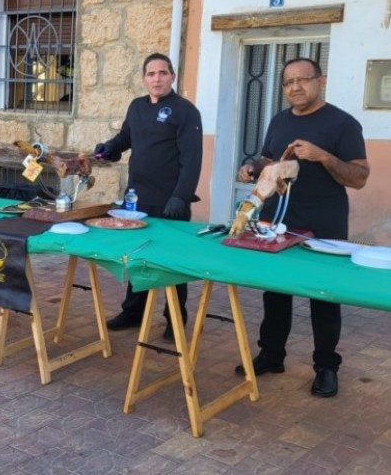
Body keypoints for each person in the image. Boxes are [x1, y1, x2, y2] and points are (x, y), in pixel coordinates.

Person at [235, 57, 369, 398]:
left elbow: (360, 178)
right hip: (278, 220)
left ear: (319, 81)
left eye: (303, 80)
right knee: (275, 290)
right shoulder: (279, 121)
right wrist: (252, 168)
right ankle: (271, 354)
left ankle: (326, 366)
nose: (295, 87)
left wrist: (323, 156)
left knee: (324, 294)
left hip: (324, 222)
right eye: (288, 82)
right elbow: (269, 161)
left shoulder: (343, 124)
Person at [93, 53, 203, 341]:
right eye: (151, 73)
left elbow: (192, 159)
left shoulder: (185, 111)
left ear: (172, 77)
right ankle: (134, 312)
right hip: (137, 199)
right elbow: (125, 138)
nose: (157, 78)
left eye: (163, 73)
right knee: (138, 256)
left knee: (171, 262)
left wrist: (181, 196)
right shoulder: (137, 107)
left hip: (171, 202)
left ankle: (175, 319)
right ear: (144, 78)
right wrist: (108, 148)